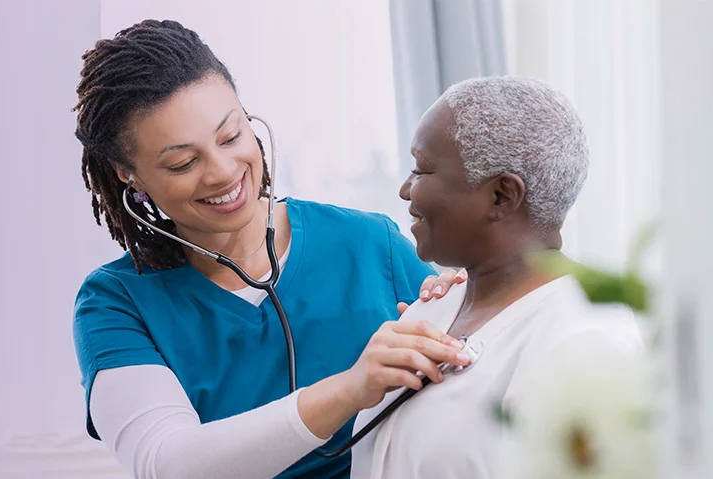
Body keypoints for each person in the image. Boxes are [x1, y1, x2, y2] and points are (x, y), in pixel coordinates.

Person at [72, 20, 469, 478]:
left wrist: (460, 309)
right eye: (183, 162)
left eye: (231, 136)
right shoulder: (116, 303)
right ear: (128, 174)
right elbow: (168, 464)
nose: (222, 172)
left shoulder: (369, 245)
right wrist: (351, 388)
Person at [349, 76, 645, 478]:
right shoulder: (432, 309)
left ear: (502, 195)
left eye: (422, 170)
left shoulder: (586, 340)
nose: (405, 190)